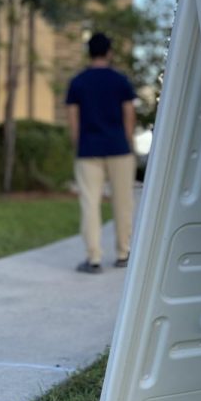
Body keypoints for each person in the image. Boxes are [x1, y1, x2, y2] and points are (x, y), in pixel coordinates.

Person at [66, 32, 137, 273]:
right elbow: (129, 114)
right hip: (119, 148)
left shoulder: (78, 82)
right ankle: (123, 253)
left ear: (89, 52)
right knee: (123, 202)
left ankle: (93, 258)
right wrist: (126, 140)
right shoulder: (120, 81)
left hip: (89, 149)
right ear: (109, 52)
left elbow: (73, 120)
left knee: (90, 203)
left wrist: (79, 144)